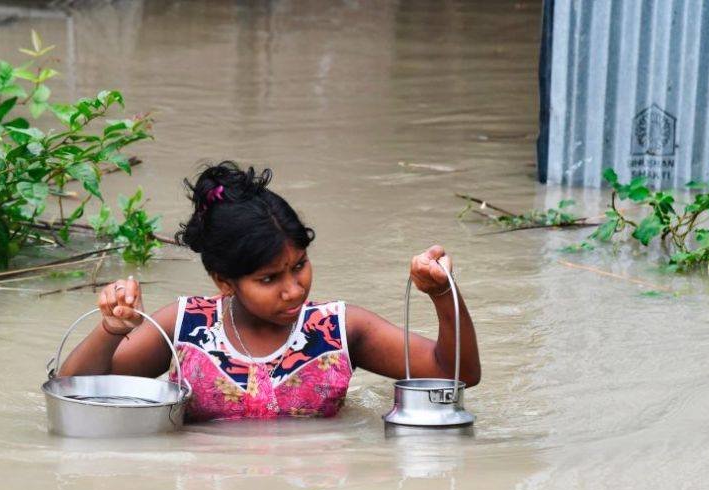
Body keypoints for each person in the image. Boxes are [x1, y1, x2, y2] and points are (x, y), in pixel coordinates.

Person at [58, 161, 480, 421]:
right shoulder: (184, 327)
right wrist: (110, 330)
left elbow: (456, 373)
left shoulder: (339, 330)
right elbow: (76, 394)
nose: (293, 290)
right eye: (268, 279)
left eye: (299, 266)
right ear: (224, 281)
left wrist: (443, 293)